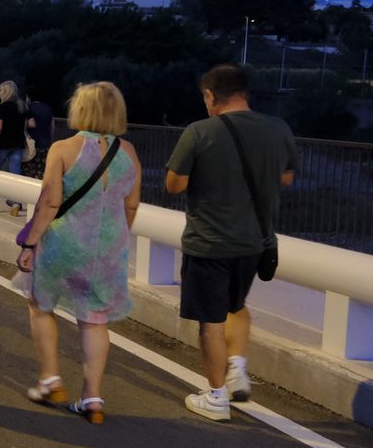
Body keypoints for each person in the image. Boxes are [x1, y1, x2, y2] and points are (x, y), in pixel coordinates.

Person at [165, 64, 297, 422]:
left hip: (209, 242)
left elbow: (174, 184)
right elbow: (286, 176)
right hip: (256, 241)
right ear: (244, 92)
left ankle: (217, 396)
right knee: (235, 305)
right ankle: (237, 367)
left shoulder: (200, 131)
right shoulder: (278, 128)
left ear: (210, 95)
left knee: (210, 321)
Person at [17, 82, 141, 423]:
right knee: (94, 321)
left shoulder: (63, 148)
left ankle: (50, 377)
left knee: (41, 305)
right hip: (106, 249)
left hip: (63, 244)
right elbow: (131, 205)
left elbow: (50, 201)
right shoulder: (128, 152)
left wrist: (30, 244)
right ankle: (93, 398)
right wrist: (116, 240)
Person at [0, 80, 28, 216]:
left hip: (2, 145)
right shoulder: (22, 107)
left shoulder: (2, 107)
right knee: (15, 175)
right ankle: (15, 204)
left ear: (6, 92)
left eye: (1, 90)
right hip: (17, 144)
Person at [21, 92, 54, 180]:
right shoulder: (48, 109)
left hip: (31, 145)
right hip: (46, 144)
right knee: (41, 173)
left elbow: (26, 123)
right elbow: (52, 126)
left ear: (29, 97)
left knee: (27, 173)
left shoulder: (27, 107)